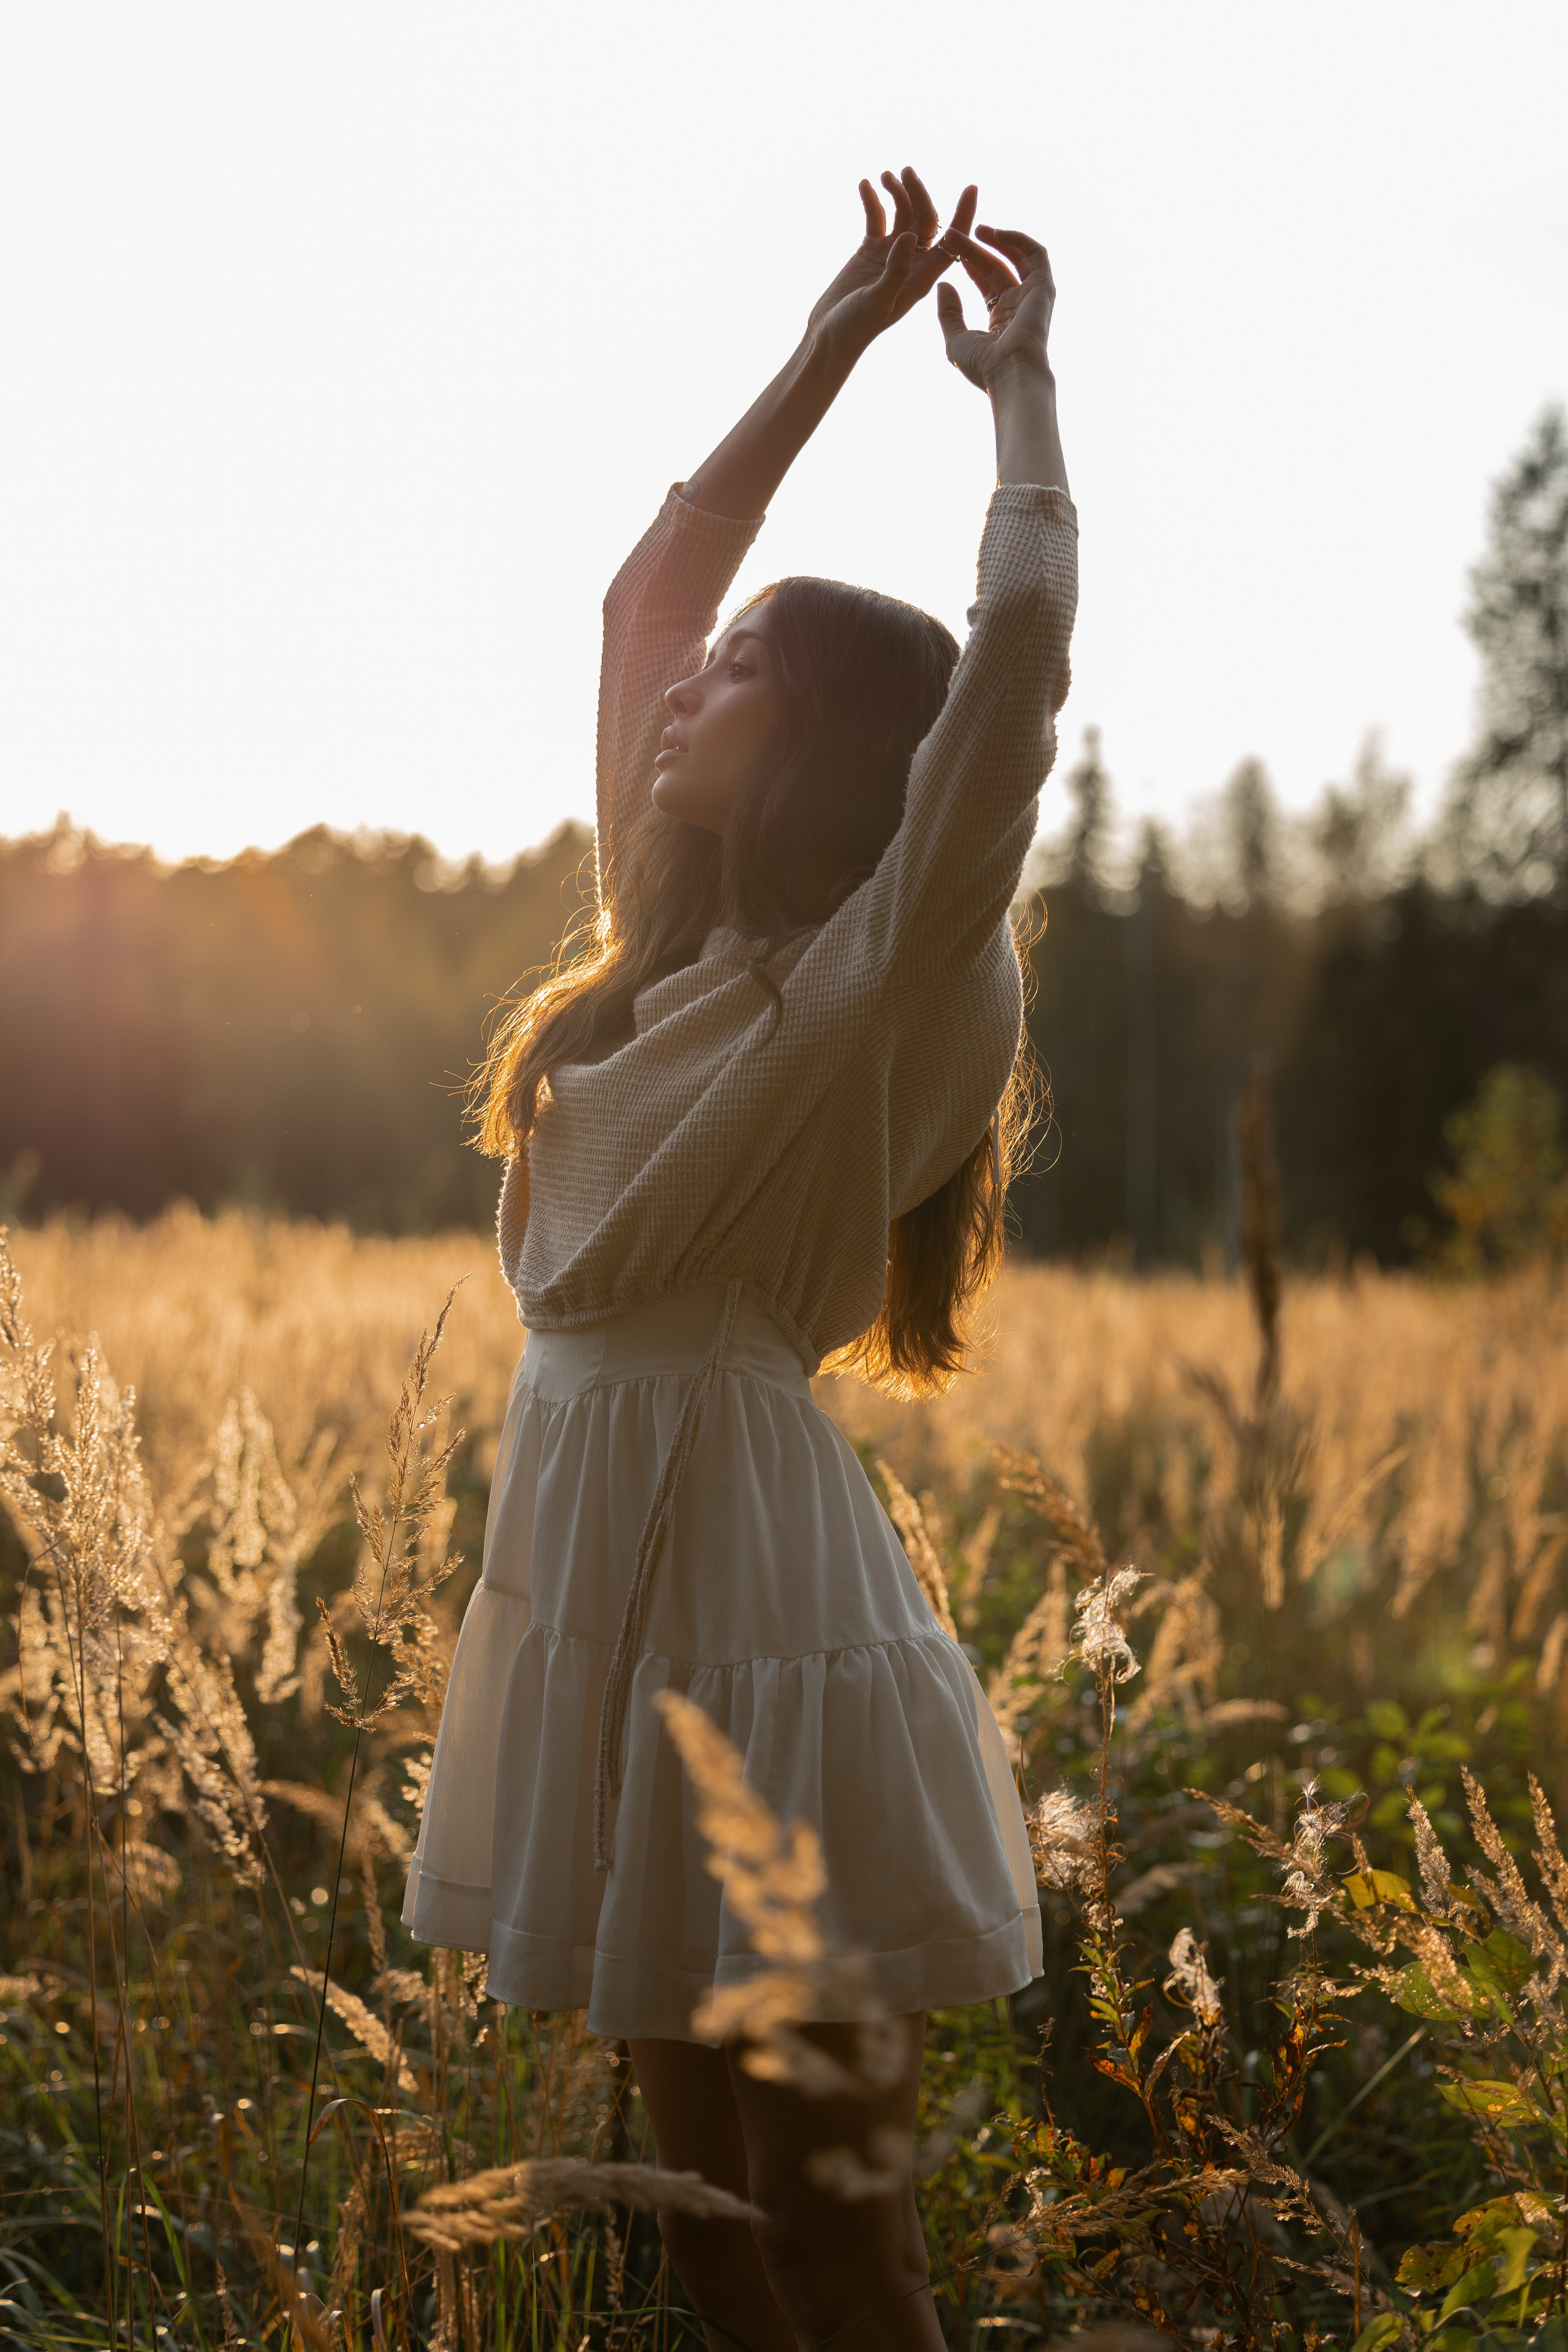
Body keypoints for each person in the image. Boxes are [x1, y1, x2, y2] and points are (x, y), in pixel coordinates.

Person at [402, 164, 1077, 2350]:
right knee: (694, 2203)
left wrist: (1017, 403)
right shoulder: (665, 937)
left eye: (748, 665)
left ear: (831, 745)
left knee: (837, 2217)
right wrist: (826, 349)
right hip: (595, 1570)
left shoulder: (875, 977)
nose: (691, 678)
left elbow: (1016, 673)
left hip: (762, 1602)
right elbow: (637, 603)